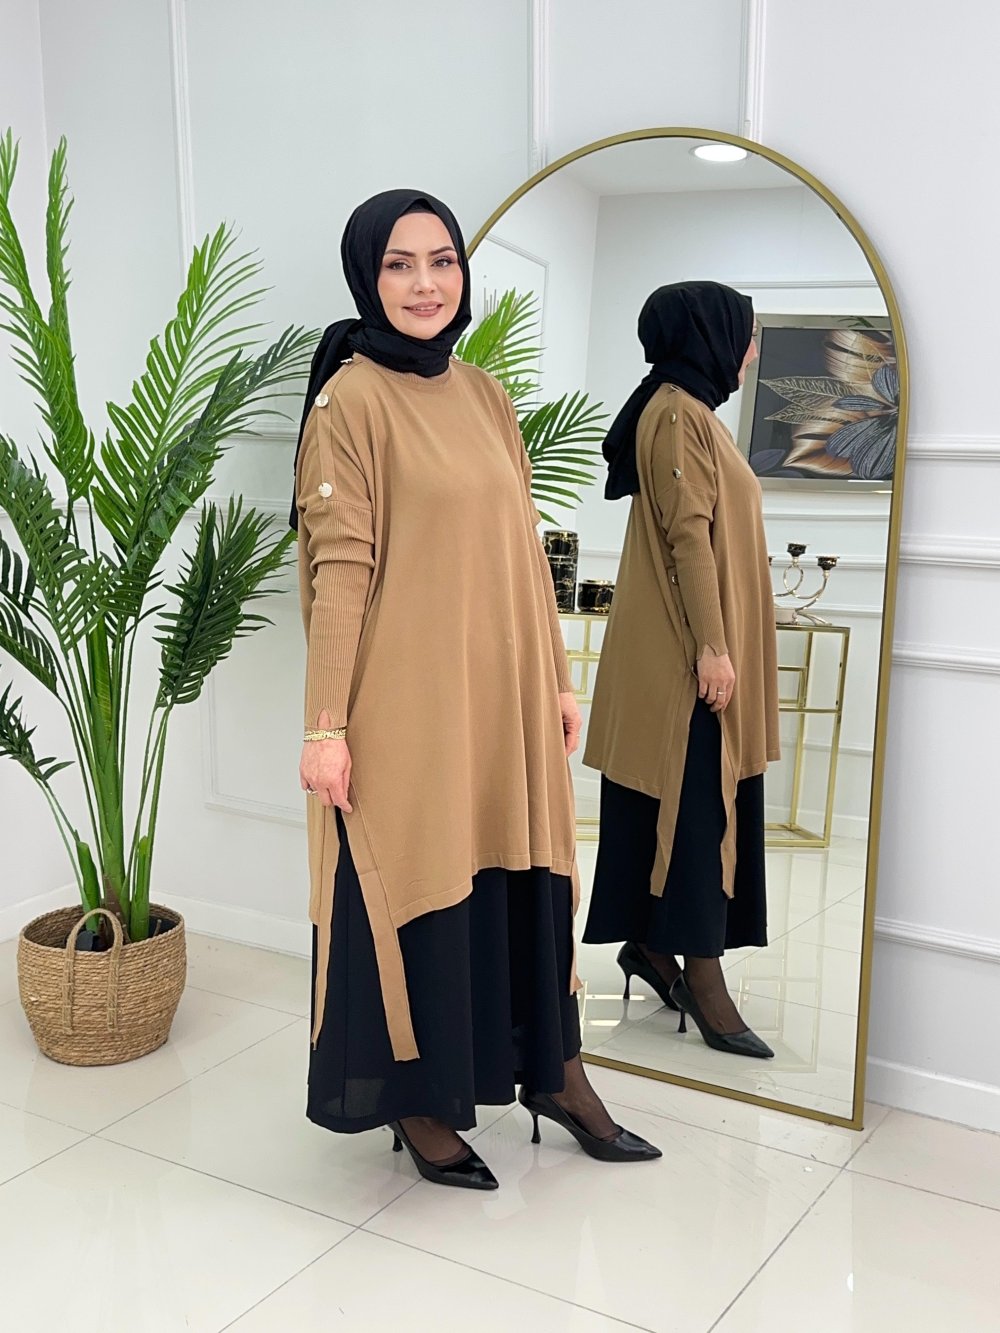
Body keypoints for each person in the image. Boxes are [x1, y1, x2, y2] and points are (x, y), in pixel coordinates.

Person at [292, 189, 660, 1191]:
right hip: (405, 701)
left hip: (502, 695)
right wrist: (326, 726)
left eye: (442, 260)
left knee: (520, 871)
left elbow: (521, 547)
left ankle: (556, 1073)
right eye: (399, 264)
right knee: (421, 880)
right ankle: (416, 1097)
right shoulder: (349, 402)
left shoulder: (485, 393)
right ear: (367, 276)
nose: (425, 284)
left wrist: (555, 678)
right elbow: (341, 568)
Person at [582, 281, 780, 1059]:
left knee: (694, 801)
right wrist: (712, 647)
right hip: (683, 655)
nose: (751, 350)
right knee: (699, 809)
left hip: (696, 644)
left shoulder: (690, 411)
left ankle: (651, 947)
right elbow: (687, 536)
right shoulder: (675, 414)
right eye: (745, 333)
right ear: (710, 335)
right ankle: (703, 979)